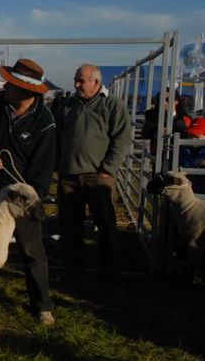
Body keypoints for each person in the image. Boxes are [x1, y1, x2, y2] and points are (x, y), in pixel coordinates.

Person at [0, 58, 56, 326]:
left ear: (26, 91)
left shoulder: (44, 123)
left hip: (21, 198)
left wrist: (32, 198)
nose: (6, 86)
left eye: (12, 84)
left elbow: (43, 168)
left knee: (31, 250)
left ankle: (42, 305)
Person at [55, 64, 132, 275]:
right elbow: (58, 136)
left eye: (81, 80)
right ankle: (73, 265)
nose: (76, 84)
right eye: (76, 79)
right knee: (69, 224)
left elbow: (122, 138)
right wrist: (58, 165)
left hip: (98, 176)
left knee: (105, 221)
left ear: (95, 82)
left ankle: (110, 264)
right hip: (69, 175)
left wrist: (108, 168)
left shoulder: (112, 105)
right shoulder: (67, 105)